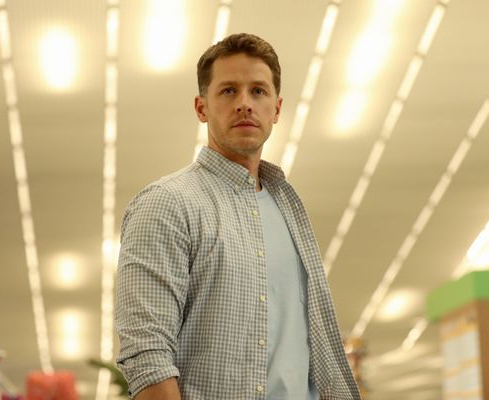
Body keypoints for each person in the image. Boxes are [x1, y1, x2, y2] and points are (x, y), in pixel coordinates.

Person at [115, 33, 361, 400]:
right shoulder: (167, 203)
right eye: (229, 91)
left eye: (258, 91)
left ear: (276, 109)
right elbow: (147, 355)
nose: (245, 104)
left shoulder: (288, 208)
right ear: (201, 108)